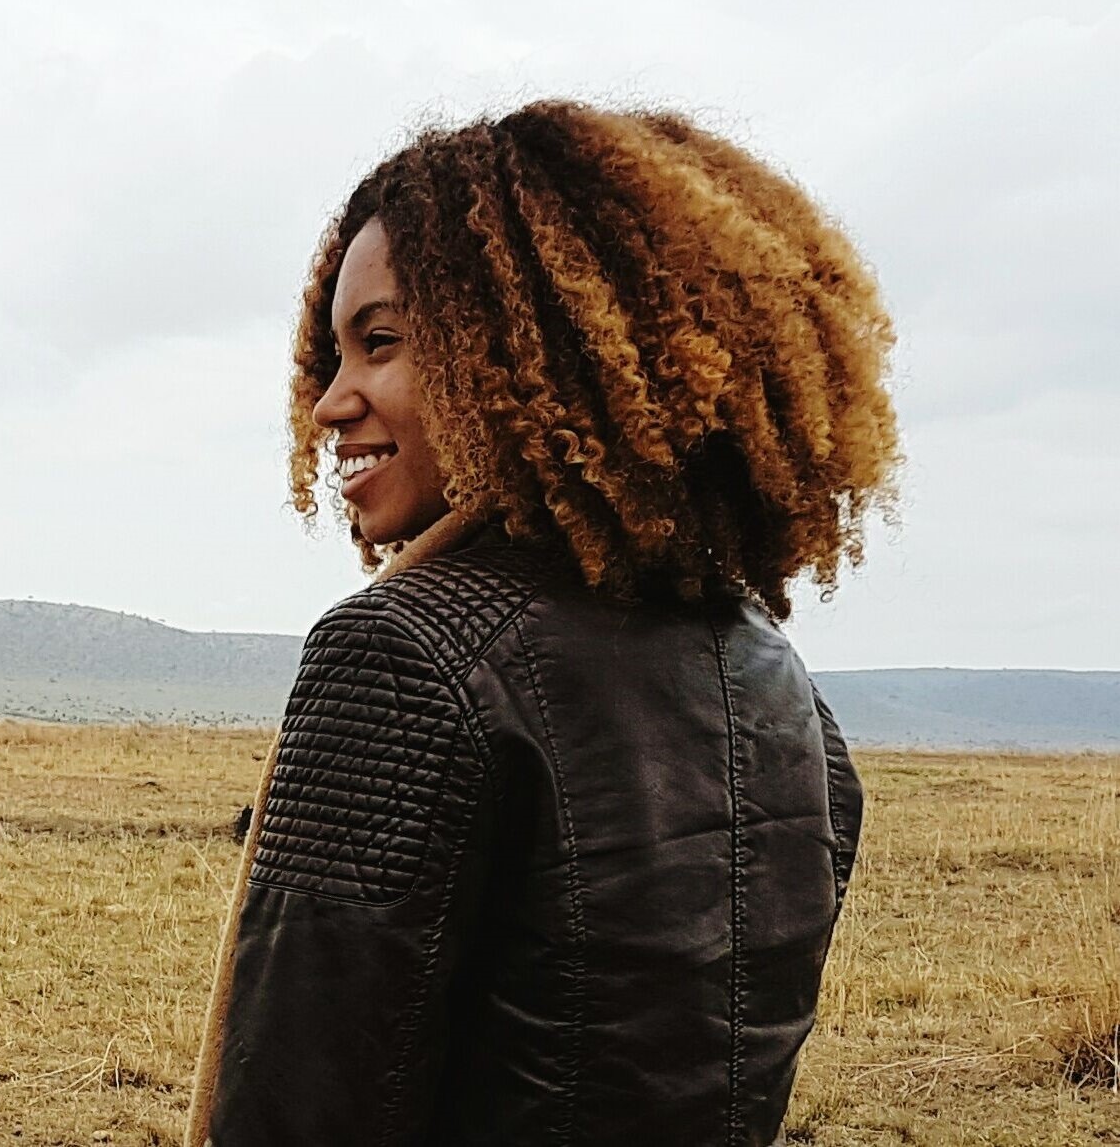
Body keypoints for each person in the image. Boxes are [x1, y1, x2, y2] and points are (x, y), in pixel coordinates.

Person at [188, 101, 894, 1145]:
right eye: (329, 358)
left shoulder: (401, 651)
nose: (329, 403)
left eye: (377, 343)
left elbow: (290, 1112)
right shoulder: (779, 684)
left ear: (525, 346)